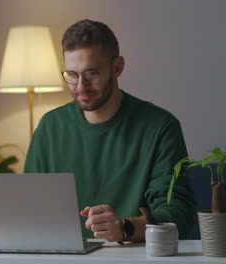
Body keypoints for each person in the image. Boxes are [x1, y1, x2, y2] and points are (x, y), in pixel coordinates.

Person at [24, 19, 195, 243]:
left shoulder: (161, 127)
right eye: (71, 75)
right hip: (62, 256)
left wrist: (125, 227)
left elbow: (177, 216)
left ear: (117, 67)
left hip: (134, 257)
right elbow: (27, 207)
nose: (80, 87)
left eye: (92, 74)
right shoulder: (50, 126)